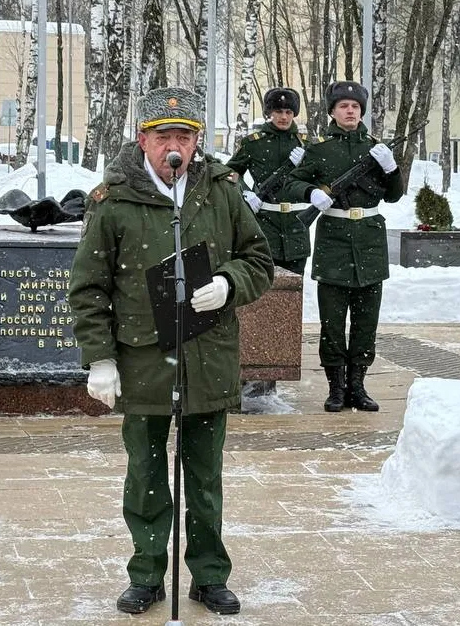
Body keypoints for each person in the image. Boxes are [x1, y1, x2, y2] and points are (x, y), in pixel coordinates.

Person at [68, 87, 273, 616]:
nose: (174, 147)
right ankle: (147, 573)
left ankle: (208, 575)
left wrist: (230, 283)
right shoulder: (113, 200)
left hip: (207, 354)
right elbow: (89, 288)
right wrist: (101, 357)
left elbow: (258, 260)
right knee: (146, 473)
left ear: (197, 142)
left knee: (204, 476)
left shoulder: (222, 191)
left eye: (184, 136)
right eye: (164, 137)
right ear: (143, 140)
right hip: (142, 359)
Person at [283, 81, 403, 413]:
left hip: (369, 243)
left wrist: (391, 168)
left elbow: (393, 195)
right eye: (343, 106)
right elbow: (292, 181)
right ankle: (336, 388)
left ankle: (358, 386)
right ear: (333, 112)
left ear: (361, 111)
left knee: (366, 321)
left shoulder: (376, 148)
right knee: (333, 323)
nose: (350, 111)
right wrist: (311, 194)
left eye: (355, 106)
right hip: (333, 241)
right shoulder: (320, 149)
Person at [226, 87, 317, 276]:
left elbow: (318, 179)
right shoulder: (254, 143)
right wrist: (244, 192)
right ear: (269, 113)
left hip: (296, 226)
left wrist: (305, 166)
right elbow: (230, 172)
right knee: (262, 287)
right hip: (265, 224)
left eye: (288, 112)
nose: (284, 117)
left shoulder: (306, 144)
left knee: (293, 292)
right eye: (278, 111)